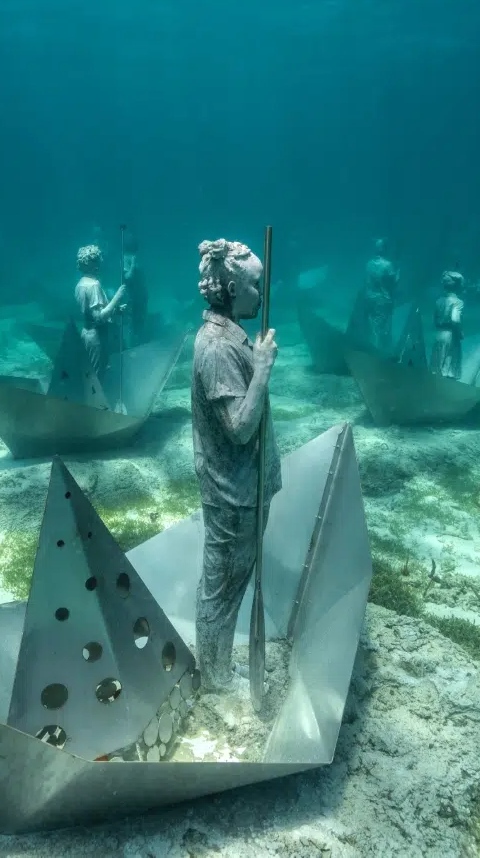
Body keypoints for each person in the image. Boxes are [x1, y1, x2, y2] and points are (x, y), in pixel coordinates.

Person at [191, 238, 281, 693]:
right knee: (222, 592)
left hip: (244, 489)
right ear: (230, 286)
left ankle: (218, 669)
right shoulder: (217, 349)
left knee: (230, 586)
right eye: (254, 285)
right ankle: (213, 681)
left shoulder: (231, 337)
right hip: (232, 494)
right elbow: (240, 428)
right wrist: (262, 369)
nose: (261, 295)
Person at [73, 244, 126, 385]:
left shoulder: (80, 284)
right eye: (98, 260)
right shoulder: (94, 285)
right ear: (92, 263)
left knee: (89, 373)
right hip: (96, 337)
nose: (101, 262)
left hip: (85, 333)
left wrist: (114, 310)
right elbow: (99, 317)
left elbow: (91, 314)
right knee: (97, 377)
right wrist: (117, 297)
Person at [361, 238, 400, 353]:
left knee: (371, 327)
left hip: (369, 298)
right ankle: (375, 356)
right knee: (380, 329)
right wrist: (398, 272)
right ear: (384, 249)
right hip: (382, 300)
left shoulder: (368, 264)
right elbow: (393, 283)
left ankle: (371, 351)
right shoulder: (387, 265)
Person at [432, 270, 465, 379]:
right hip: (451, 336)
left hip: (439, 335)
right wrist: (460, 332)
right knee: (448, 368)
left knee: (437, 366)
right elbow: (455, 319)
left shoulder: (438, 301)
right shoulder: (458, 302)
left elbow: (435, 320)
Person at [120, 230, 148, 344]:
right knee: (132, 322)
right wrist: (132, 264)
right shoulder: (125, 258)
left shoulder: (133, 256)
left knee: (140, 319)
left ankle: (139, 342)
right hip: (131, 296)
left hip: (140, 295)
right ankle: (132, 346)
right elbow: (127, 277)